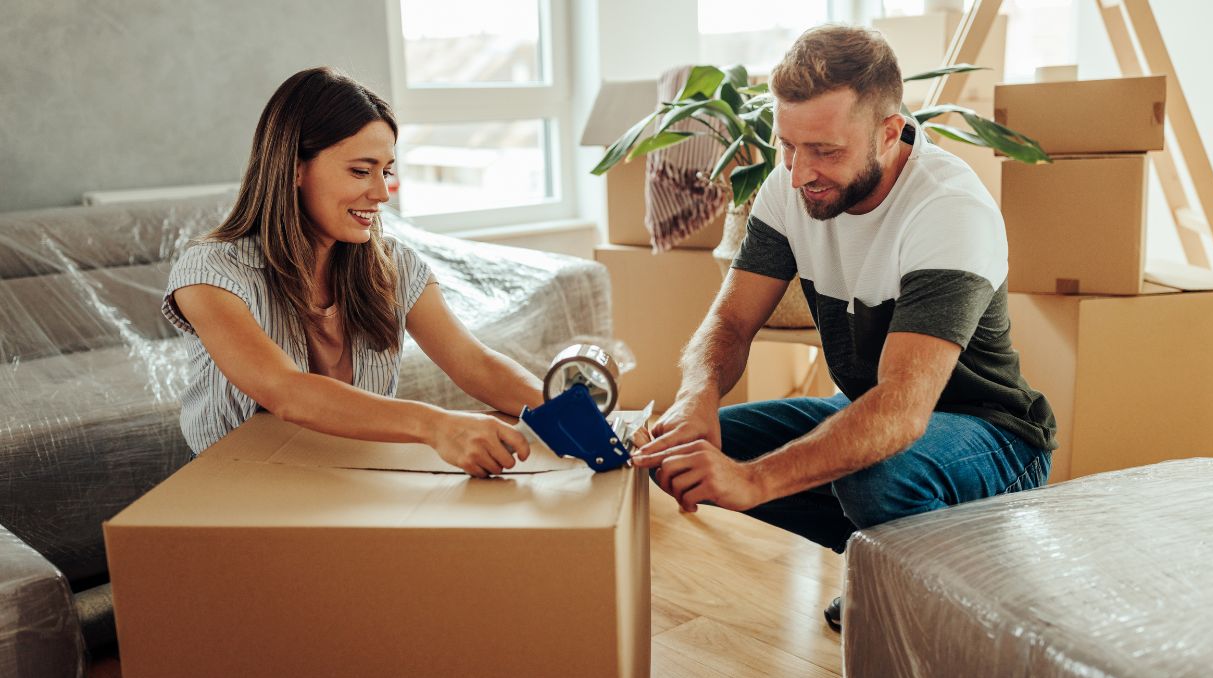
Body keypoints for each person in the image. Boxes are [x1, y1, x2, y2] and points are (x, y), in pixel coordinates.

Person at [632, 25, 1057, 630]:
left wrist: (754, 482)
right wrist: (696, 396)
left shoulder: (948, 210)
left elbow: (902, 411)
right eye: (788, 146)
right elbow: (730, 321)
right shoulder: (791, 186)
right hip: (873, 408)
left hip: (993, 431)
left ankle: (934, 589)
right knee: (704, 446)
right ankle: (889, 566)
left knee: (871, 478)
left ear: (889, 131)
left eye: (826, 151)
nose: (802, 172)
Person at [163, 67, 540, 477]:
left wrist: (576, 415)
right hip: (241, 485)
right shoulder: (211, 270)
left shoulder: (396, 265)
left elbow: (475, 364)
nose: (380, 193)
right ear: (294, 168)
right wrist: (435, 424)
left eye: (387, 171)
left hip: (355, 477)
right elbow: (286, 392)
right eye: (361, 171)